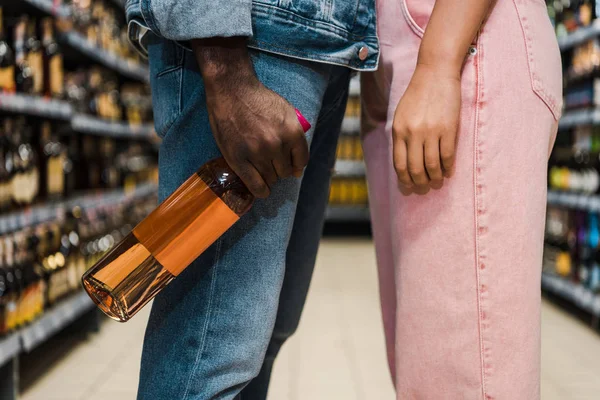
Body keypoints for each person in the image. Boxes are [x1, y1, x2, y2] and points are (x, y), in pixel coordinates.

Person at [124, 0, 377, 398]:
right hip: (249, 44)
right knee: (210, 356)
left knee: (267, 334)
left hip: (325, 49)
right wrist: (226, 70)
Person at [361, 0, 561, 398]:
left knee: (461, 376)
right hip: (405, 57)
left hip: (461, 38)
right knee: (426, 370)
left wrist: (438, 62)